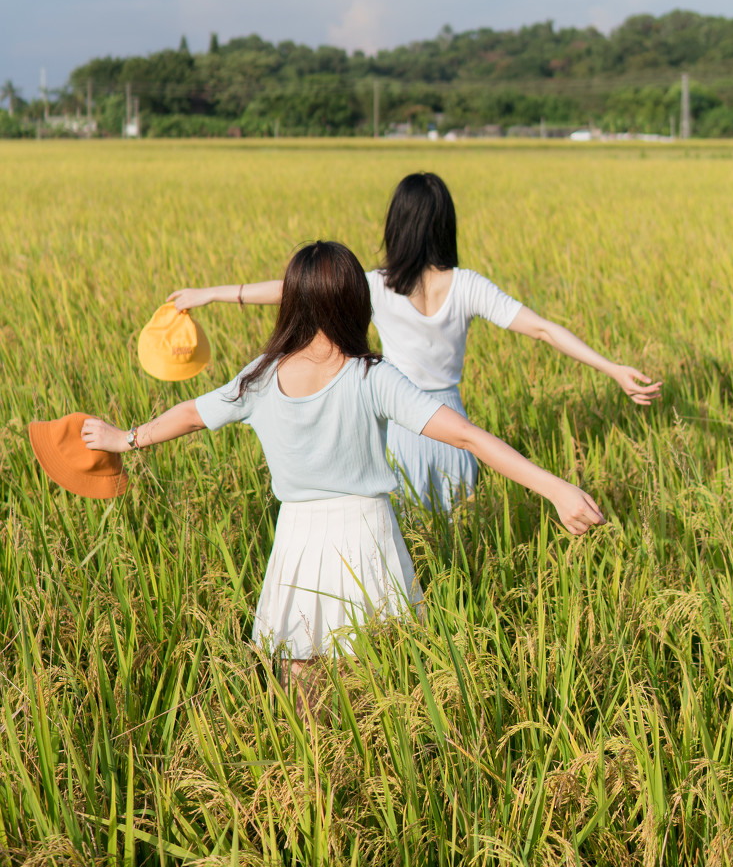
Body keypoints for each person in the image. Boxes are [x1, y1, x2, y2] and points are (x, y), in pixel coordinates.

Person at [83, 242, 605, 692]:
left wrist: (123, 439)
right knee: (378, 683)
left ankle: (307, 789)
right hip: (366, 536)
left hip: (297, 538)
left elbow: (193, 414)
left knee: (298, 684)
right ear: (355, 301)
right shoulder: (371, 377)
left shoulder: (260, 377)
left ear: (292, 304)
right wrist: (553, 487)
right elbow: (466, 435)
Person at [167, 173, 661, 509]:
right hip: (451, 425)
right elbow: (543, 329)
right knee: (457, 537)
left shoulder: (377, 283)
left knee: (409, 542)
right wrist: (612, 368)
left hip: (400, 419)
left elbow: (290, 290)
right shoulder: (467, 285)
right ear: (445, 224)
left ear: (396, 225)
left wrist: (212, 294)